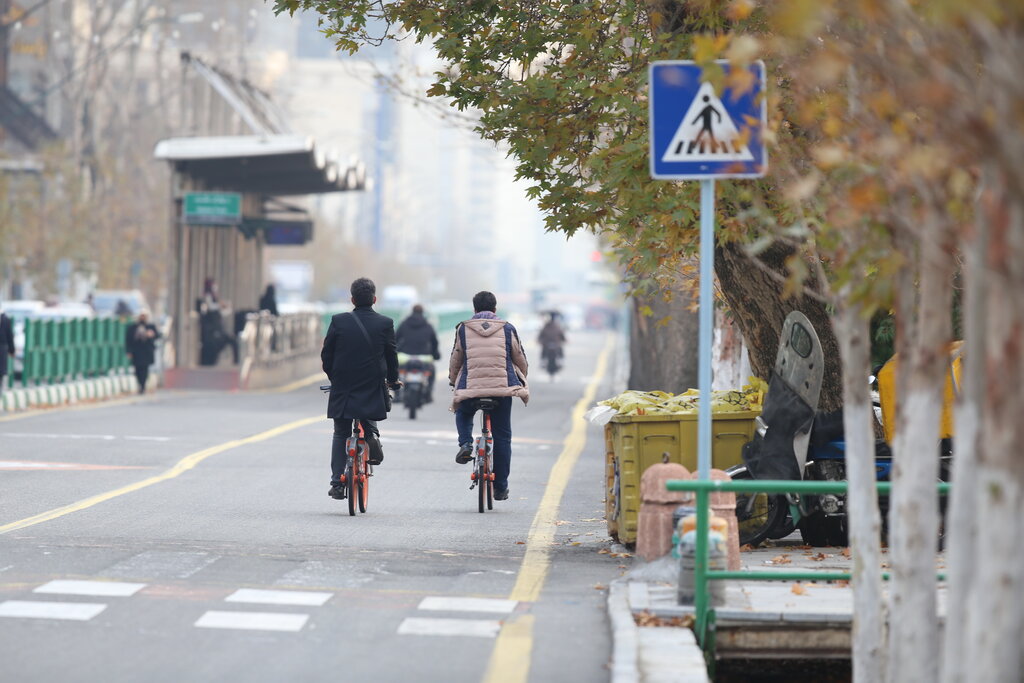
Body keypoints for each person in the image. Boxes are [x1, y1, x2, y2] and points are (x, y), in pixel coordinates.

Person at [321, 278, 401, 500]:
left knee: (340, 433)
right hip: (371, 386)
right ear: (374, 299)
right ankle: (371, 434)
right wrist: (393, 380)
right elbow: (391, 356)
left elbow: (327, 354)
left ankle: (337, 482)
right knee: (368, 415)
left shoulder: (338, 321)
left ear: (352, 299)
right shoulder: (385, 323)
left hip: (343, 388)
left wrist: (334, 376)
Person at [449, 291, 529, 501]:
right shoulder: (507, 328)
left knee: (464, 412)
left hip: (472, 388)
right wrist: (522, 378)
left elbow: (456, 358)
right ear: (495, 309)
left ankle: (465, 444)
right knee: (503, 436)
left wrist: (452, 381)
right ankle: (501, 487)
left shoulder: (463, 329)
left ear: (474, 309)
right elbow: (519, 357)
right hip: (501, 390)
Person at [396, 304, 440, 401]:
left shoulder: (403, 324)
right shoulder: (428, 325)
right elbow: (434, 342)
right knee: (431, 371)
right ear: (422, 313)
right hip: (424, 356)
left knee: (396, 371)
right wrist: (436, 354)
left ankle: (398, 393)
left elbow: (395, 339)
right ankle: (428, 393)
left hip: (405, 356)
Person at [125, 310, 160, 394]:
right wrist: (128, 351)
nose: (142, 317)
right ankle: (140, 384)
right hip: (137, 351)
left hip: (147, 351)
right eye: (141, 316)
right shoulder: (133, 327)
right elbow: (128, 340)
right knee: (137, 369)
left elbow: (158, 336)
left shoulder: (150, 326)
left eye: (144, 316)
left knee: (145, 369)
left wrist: (152, 334)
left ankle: (143, 386)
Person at [0, 305, 14, 401]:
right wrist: (12, 350)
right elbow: (10, 335)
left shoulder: (5, 319)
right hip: (2, 348)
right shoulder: (5, 319)